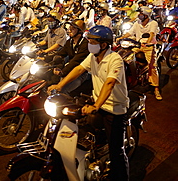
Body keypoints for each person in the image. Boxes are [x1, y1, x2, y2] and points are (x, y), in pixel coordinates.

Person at [48, 25, 129, 181]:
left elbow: (110, 83)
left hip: (115, 109)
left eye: (92, 41)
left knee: (117, 151)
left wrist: (96, 106)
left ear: (104, 45)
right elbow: (79, 69)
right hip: (97, 101)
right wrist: (60, 85)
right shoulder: (93, 57)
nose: (89, 44)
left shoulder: (115, 59)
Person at [117, 6, 162, 100]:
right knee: (124, 56)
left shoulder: (153, 23)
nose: (139, 15)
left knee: (152, 66)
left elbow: (152, 34)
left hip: (149, 47)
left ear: (146, 15)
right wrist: (121, 37)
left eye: (141, 14)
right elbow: (130, 33)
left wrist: (148, 41)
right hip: (138, 45)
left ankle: (156, 89)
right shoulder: (137, 23)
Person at [47, 19, 90, 94]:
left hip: (81, 74)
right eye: (70, 28)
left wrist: (63, 72)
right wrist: (46, 59)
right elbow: (60, 53)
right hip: (69, 69)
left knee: (62, 90)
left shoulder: (85, 45)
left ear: (79, 31)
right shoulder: (69, 42)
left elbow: (75, 62)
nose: (69, 30)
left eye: (73, 29)